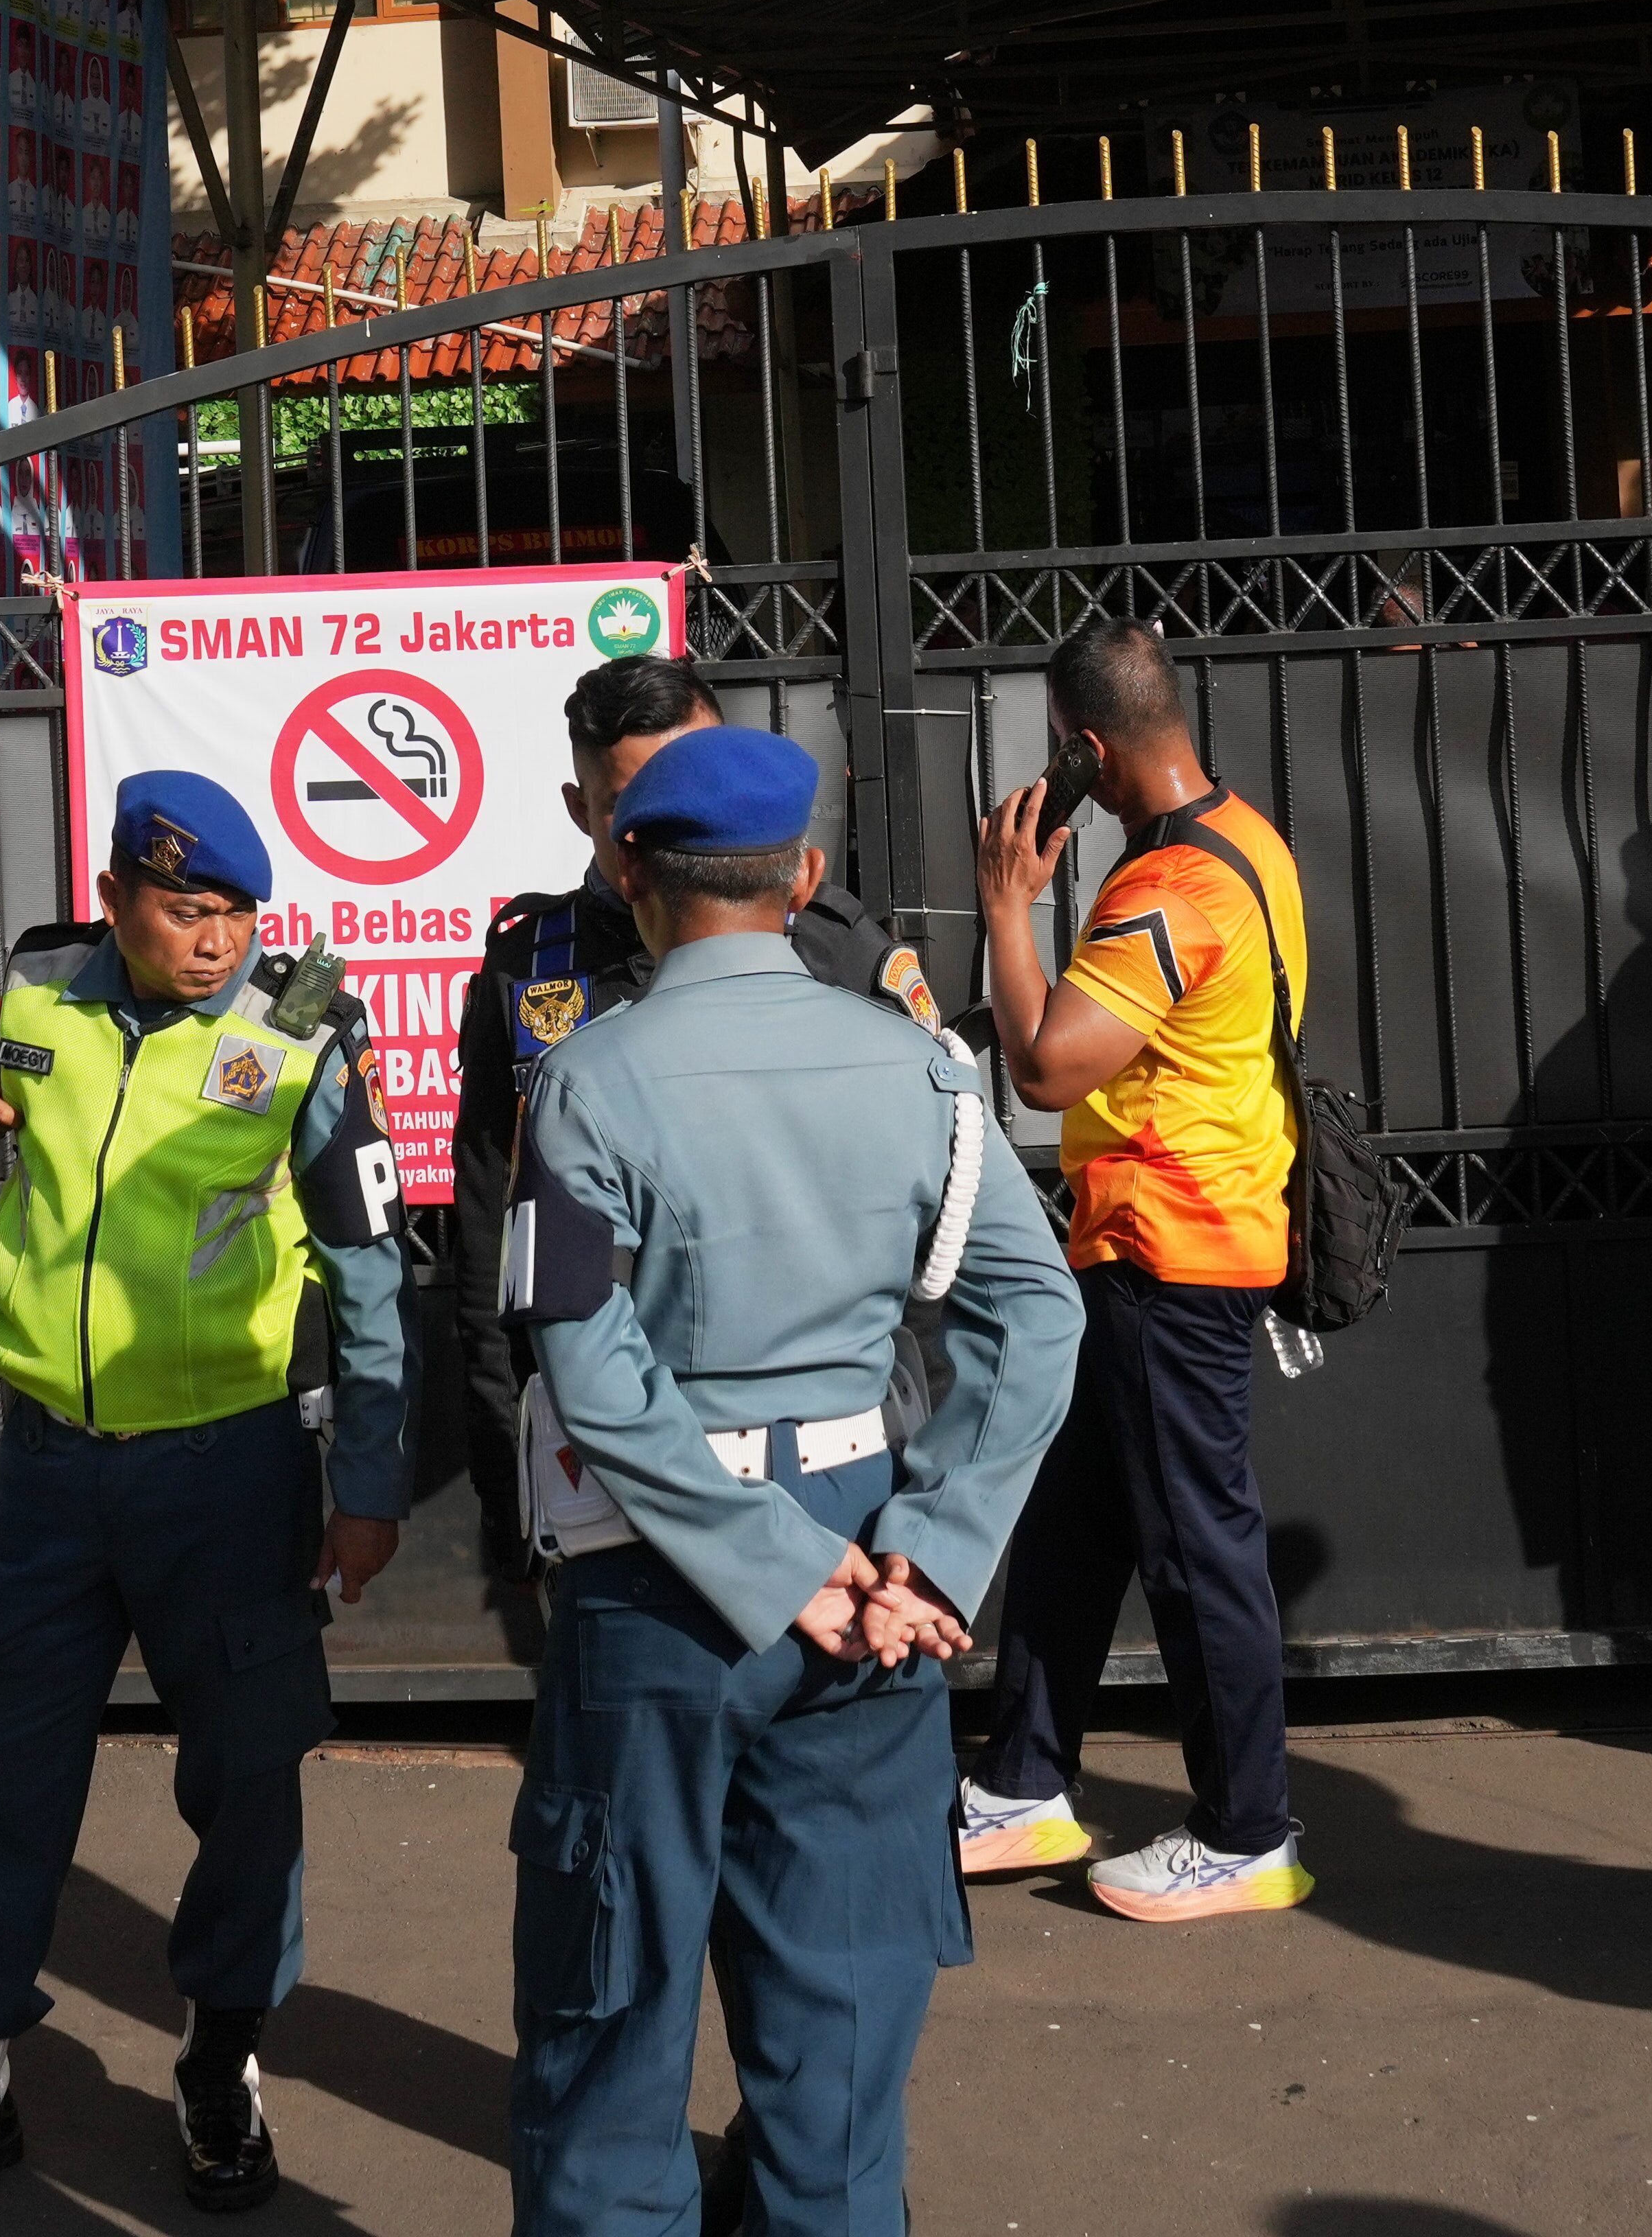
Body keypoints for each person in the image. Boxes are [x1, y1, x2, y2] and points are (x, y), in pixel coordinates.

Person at [502, 726, 1080, 2237]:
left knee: (609, 2034)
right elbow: (1039, 1316)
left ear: (631, 869)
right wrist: (934, 1552)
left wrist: (767, 1563)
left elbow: (583, 1358)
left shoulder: (586, 1083)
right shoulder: (925, 1072)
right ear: (806, 877)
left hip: (653, 1576)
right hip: (875, 1569)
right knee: (834, 2051)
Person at [0, 772, 410, 2227]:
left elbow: (371, 1266)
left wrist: (372, 1479)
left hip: (228, 1469)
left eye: (235, 914)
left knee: (245, 1780)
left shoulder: (297, 1038)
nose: (216, 940)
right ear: (116, 896)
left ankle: (223, 2062)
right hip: (51, 1472)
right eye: (185, 909)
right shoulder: (40, 999)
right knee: (1, 1771)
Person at [956, 614, 1320, 1919]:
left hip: (1173, 1252)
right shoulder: (1247, 840)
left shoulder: (1167, 889)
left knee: (1194, 1546)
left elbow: (1051, 1065)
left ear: (1088, 749)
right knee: (1077, 1523)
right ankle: (1020, 1788)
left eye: (1062, 755)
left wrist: (1007, 903)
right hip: (1150, 1243)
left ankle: (1247, 1831)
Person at [452, 659, 937, 1598]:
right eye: (629, 803)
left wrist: (921, 1454)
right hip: (610, 1468)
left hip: (827, 1447)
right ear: (577, 805)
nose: (665, 830)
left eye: (692, 783)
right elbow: (488, 1236)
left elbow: (933, 1217)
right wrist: (500, 1450)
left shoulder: (835, 949)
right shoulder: (526, 971)